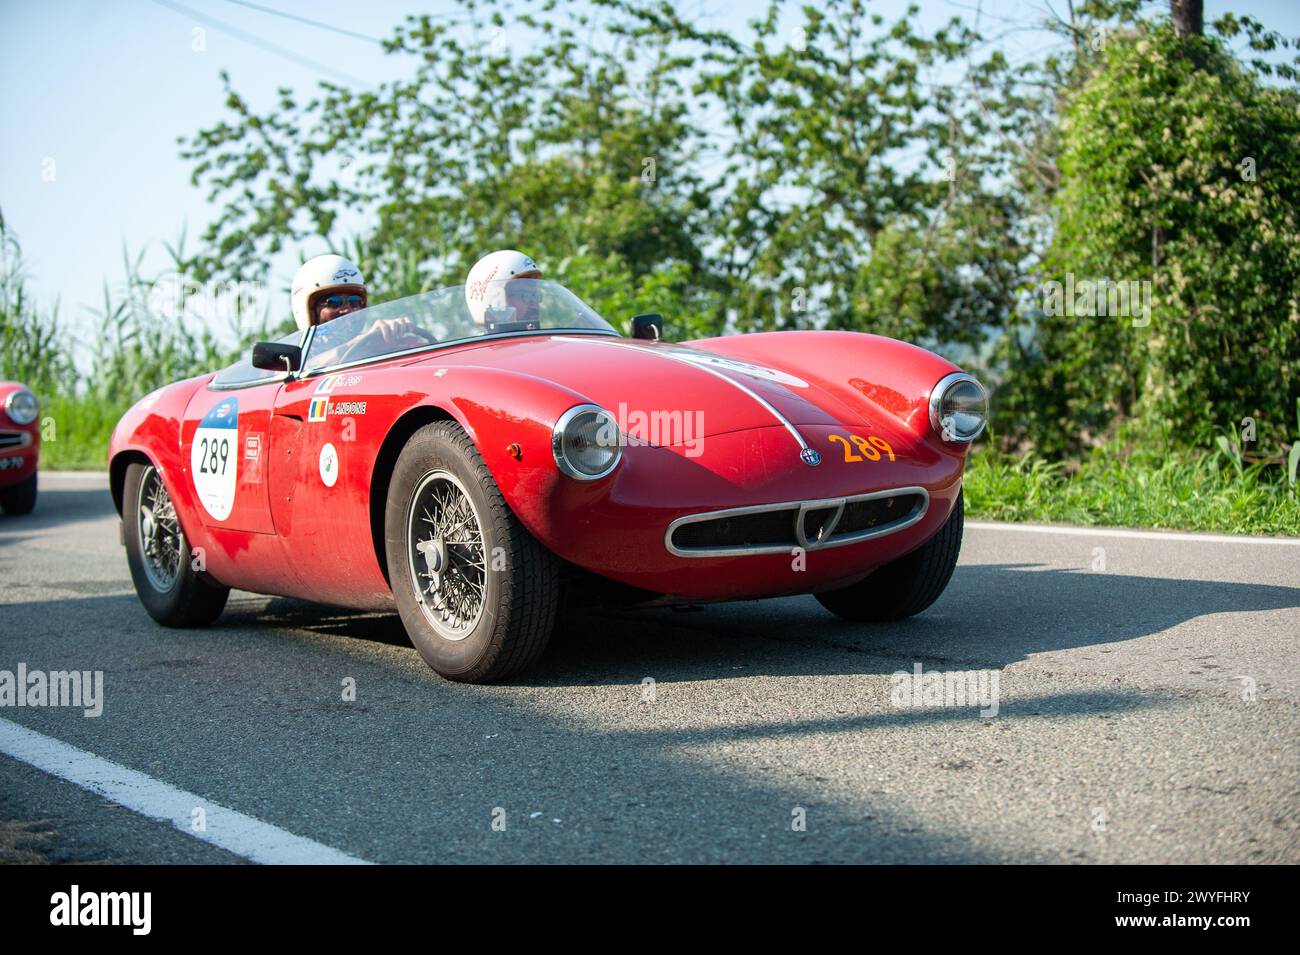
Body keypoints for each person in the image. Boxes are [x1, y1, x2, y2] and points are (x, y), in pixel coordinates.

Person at [290, 254, 428, 364]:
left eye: (355, 301)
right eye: (333, 302)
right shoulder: (292, 362)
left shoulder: (377, 345)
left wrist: (398, 337)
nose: (347, 310)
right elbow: (308, 367)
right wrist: (360, 343)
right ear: (308, 310)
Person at [464, 250, 544, 332]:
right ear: (495, 300)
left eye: (534, 295)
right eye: (523, 294)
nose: (534, 304)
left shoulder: (550, 342)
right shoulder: (481, 345)